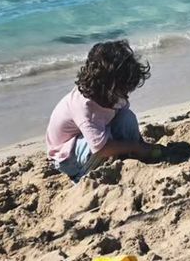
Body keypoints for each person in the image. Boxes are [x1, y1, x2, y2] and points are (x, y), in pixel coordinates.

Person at [46, 39, 167, 181]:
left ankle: (132, 152)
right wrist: (134, 147)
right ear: (109, 86)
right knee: (99, 147)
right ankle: (82, 176)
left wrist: (138, 143)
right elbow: (100, 148)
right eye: (123, 89)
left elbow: (121, 117)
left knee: (127, 117)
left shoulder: (111, 95)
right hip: (67, 156)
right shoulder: (85, 108)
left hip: (97, 134)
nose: (126, 94)